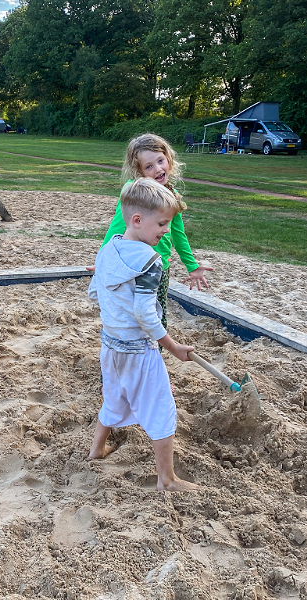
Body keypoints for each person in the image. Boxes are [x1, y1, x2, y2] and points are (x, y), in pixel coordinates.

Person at [88, 178, 199, 492]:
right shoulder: (152, 261)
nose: (166, 230)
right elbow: (144, 313)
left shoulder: (108, 249)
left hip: (110, 345)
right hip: (138, 350)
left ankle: (97, 449)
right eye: (163, 224)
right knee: (162, 409)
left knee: (114, 397)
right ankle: (168, 479)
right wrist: (173, 345)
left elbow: (95, 290)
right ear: (137, 220)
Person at [100, 133, 213, 329]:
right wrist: (104, 257)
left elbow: (178, 234)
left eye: (161, 161)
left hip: (159, 266)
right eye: (149, 166)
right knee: (130, 312)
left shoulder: (172, 196)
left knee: (157, 313)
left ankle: (156, 352)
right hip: (133, 264)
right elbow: (118, 225)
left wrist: (192, 265)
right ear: (139, 171)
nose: (158, 169)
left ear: (168, 158)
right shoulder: (133, 193)